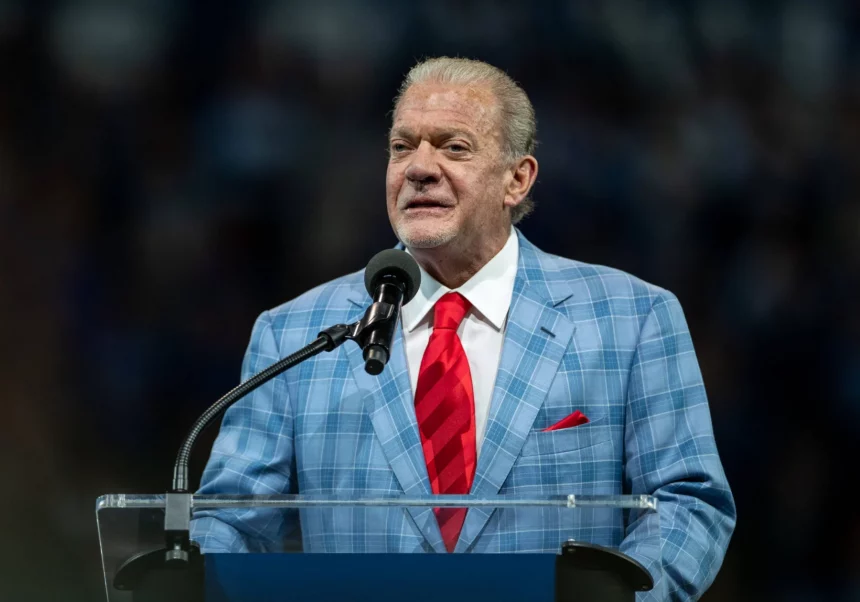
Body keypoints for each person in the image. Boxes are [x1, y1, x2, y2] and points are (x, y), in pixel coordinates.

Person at [191, 57, 736, 600]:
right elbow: (231, 523)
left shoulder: (632, 319)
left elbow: (687, 502)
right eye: (403, 147)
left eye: (454, 147)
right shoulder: (294, 335)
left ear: (516, 179)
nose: (418, 168)